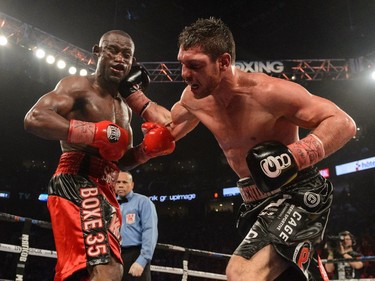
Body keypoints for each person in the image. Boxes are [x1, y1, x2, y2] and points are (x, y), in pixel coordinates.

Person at [168, 17, 357, 281]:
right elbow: (167, 129)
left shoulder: (270, 92)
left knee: (242, 273)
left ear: (223, 62)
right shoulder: (193, 98)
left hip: (297, 192)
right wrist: (134, 96)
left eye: (194, 65)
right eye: (182, 64)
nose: (185, 74)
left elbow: (343, 124)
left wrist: (293, 157)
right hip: (254, 202)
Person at [24, 30, 175, 281]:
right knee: (108, 271)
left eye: (126, 54)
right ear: (97, 52)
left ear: (132, 63)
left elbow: (120, 157)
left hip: (106, 188)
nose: (119, 58)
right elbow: (34, 118)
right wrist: (92, 132)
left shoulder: (125, 108)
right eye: (112, 50)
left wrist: (146, 152)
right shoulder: (77, 86)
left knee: (94, 273)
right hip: (77, 180)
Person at [115, 171, 157, 281]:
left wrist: (142, 260)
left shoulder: (143, 202)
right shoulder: (110, 203)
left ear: (132, 185)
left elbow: (150, 231)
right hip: (116, 256)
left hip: (135, 254)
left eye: (124, 182)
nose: (120, 185)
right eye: (118, 182)